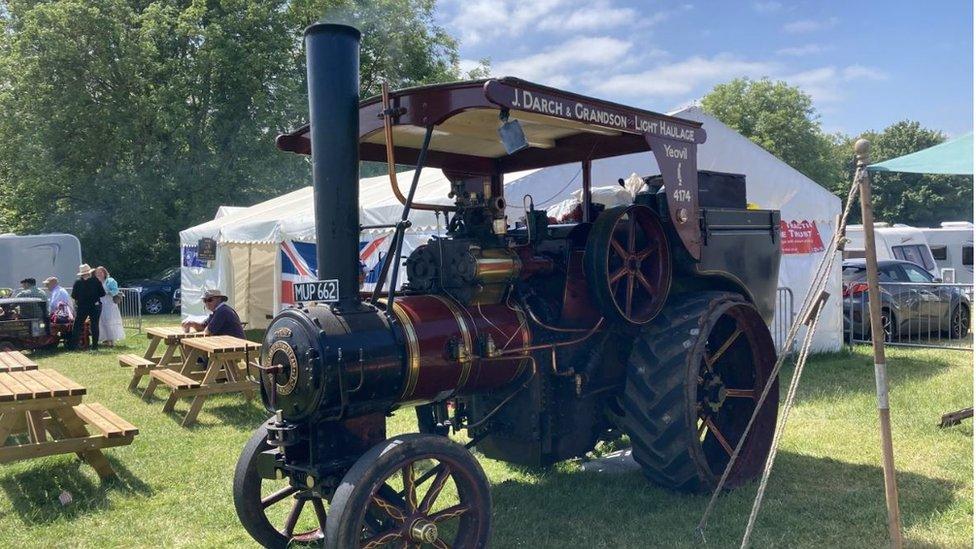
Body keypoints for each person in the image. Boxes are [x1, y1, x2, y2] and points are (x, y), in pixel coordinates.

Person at [71, 263, 105, 350]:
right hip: (95, 305)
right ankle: (95, 346)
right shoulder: (95, 281)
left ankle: (75, 345)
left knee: (77, 325)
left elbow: (74, 295)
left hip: (82, 306)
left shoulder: (77, 282)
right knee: (94, 325)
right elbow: (102, 293)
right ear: (89, 272)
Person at [95, 266, 125, 347]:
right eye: (97, 273)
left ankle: (111, 340)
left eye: (100, 273)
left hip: (109, 303)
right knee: (101, 321)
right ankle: (105, 339)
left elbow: (115, 291)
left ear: (104, 272)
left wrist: (106, 292)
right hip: (100, 303)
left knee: (109, 321)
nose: (99, 274)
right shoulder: (96, 281)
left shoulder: (110, 281)